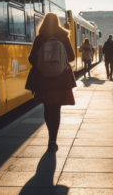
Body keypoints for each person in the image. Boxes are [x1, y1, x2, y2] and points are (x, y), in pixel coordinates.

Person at [25, 13, 76, 152]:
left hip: (44, 80)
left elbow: (32, 60)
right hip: (60, 80)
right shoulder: (63, 36)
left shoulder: (39, 38)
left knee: (48, 108)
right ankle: (53, 140)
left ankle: (50, 139)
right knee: (56, 109)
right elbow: (71, 57)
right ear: (57, 22)